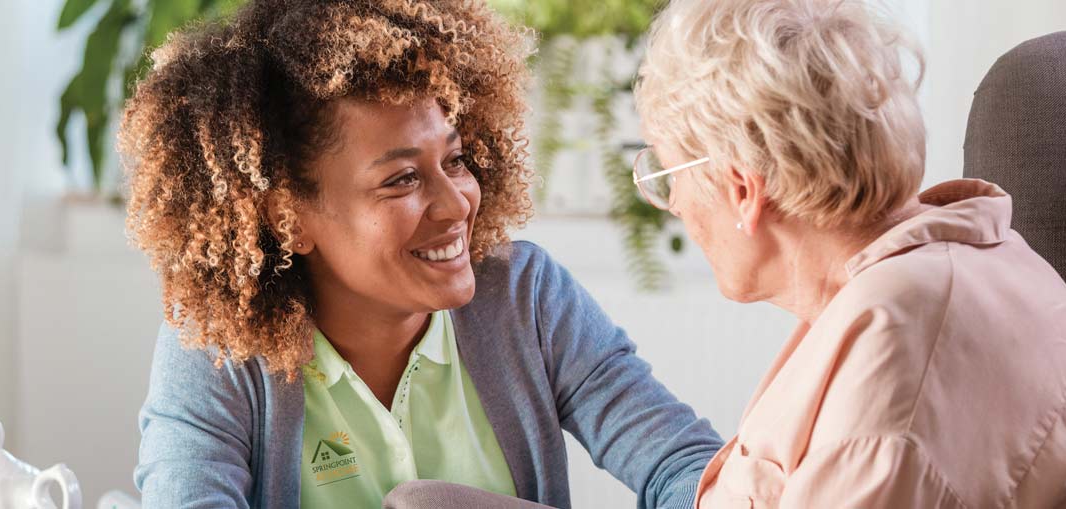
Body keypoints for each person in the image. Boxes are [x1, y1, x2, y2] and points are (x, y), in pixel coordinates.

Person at [119, 1, 722, 507]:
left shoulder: (526, 298)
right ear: (286, 216)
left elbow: (687, 468)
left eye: (455, 161)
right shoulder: (219, 350)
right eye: (401, 179)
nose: (457, 204)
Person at [629, 0, 1066, 507]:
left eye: (667, 176)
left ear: (742, 190)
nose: (672, 204)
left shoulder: (897, 375)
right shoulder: (934, 272)